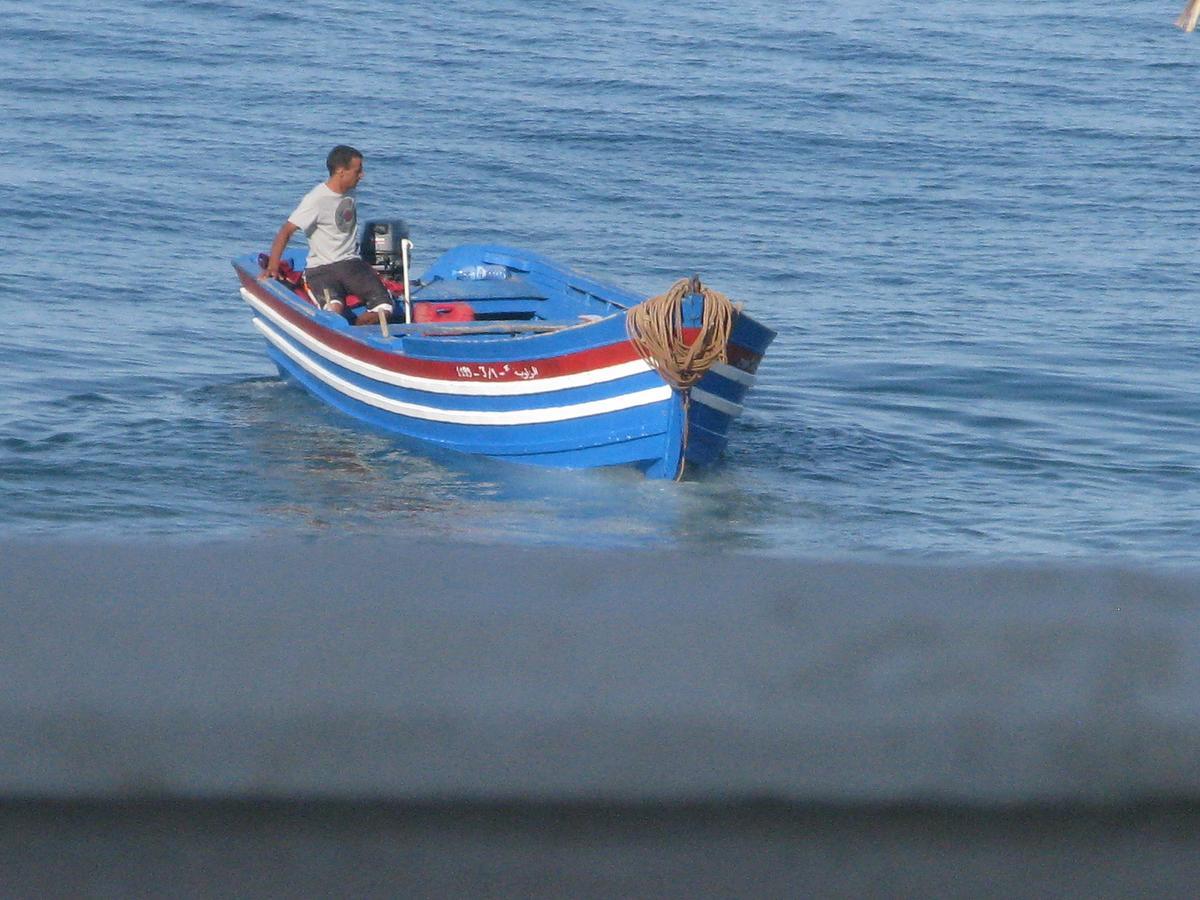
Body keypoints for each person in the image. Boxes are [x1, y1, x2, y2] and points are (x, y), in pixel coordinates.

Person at [261, 145, 392, 324]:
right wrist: (273, 268)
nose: (362, 175)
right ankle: (339, 334)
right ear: (340, 171)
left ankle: (356, 333)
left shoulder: (350, 190)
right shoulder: (316, 199)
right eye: (357, 171)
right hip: (321, 269)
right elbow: (286, 231)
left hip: (351, 264)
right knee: (334, 310)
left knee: (384, 309)